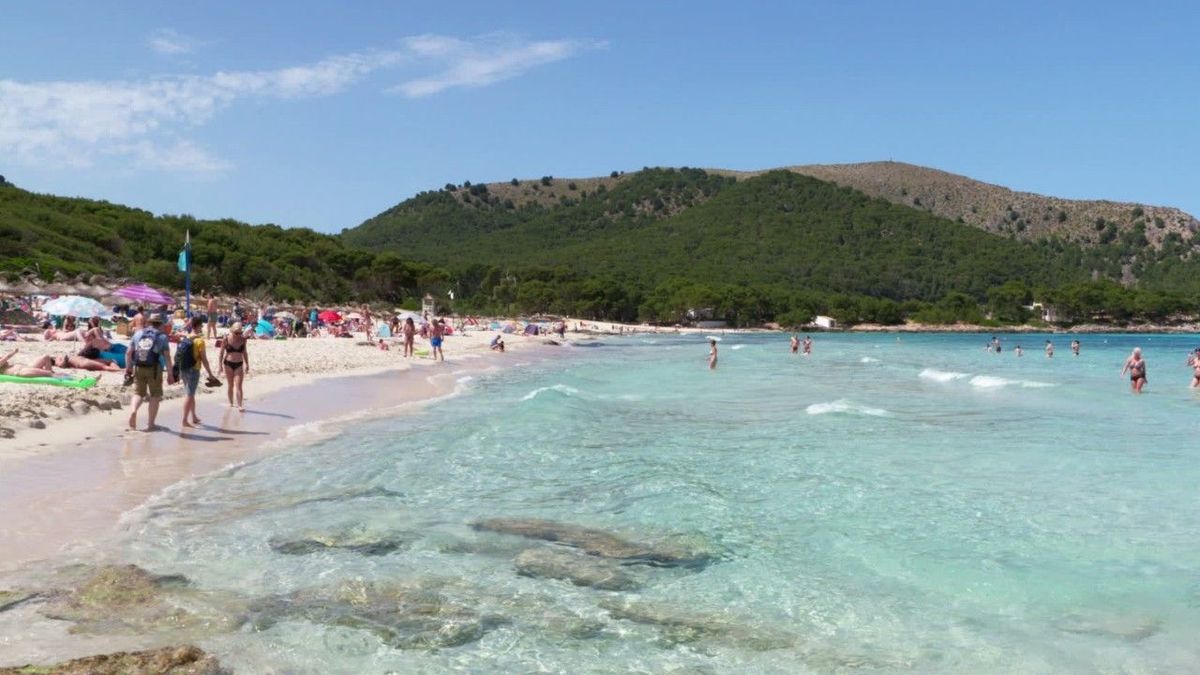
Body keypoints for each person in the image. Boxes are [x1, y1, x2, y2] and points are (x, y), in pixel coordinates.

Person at [125, 313, 172, 432]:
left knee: (138, 393)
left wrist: (128, 369)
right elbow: (167, 357)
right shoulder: (162, 337)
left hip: (138, 367)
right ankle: (151, 425)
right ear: (160, 324)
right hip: (154, 369)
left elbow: (128, 353)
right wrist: (170, 374)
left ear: (149, 322)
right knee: (155, 395)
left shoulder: (138, 333)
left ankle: (133, 411)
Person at [177, 316, 217, 428]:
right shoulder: (199, 341)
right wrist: (210, 374)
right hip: (194, 369)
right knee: (189, 395)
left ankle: (193, 416)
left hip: (183, 368)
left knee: (190, 393)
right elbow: (204, 359)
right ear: (199, 326)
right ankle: (184, 420)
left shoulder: (186, 338)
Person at [218, 322, 249, 411]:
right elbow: (221, 352)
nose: (238, 334)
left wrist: (247, 364)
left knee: (239, 385)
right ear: (232, 331)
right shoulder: (226, 338)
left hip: (239, 364)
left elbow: (245, 352)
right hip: (228, 364)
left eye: (240, 333)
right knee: (230, 385)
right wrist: (219, 365)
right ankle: (231, 403)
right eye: (236, 333)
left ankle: (240, 405)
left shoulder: (243, 339)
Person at [54, 353, 121, 372]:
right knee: (104, 367)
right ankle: (121, 370)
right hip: (83, 363)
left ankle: (118, 368)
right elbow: (62, 365)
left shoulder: (58, 357)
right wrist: (65, 357)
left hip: (85, 360)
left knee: (109, 361)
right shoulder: (56, 361)